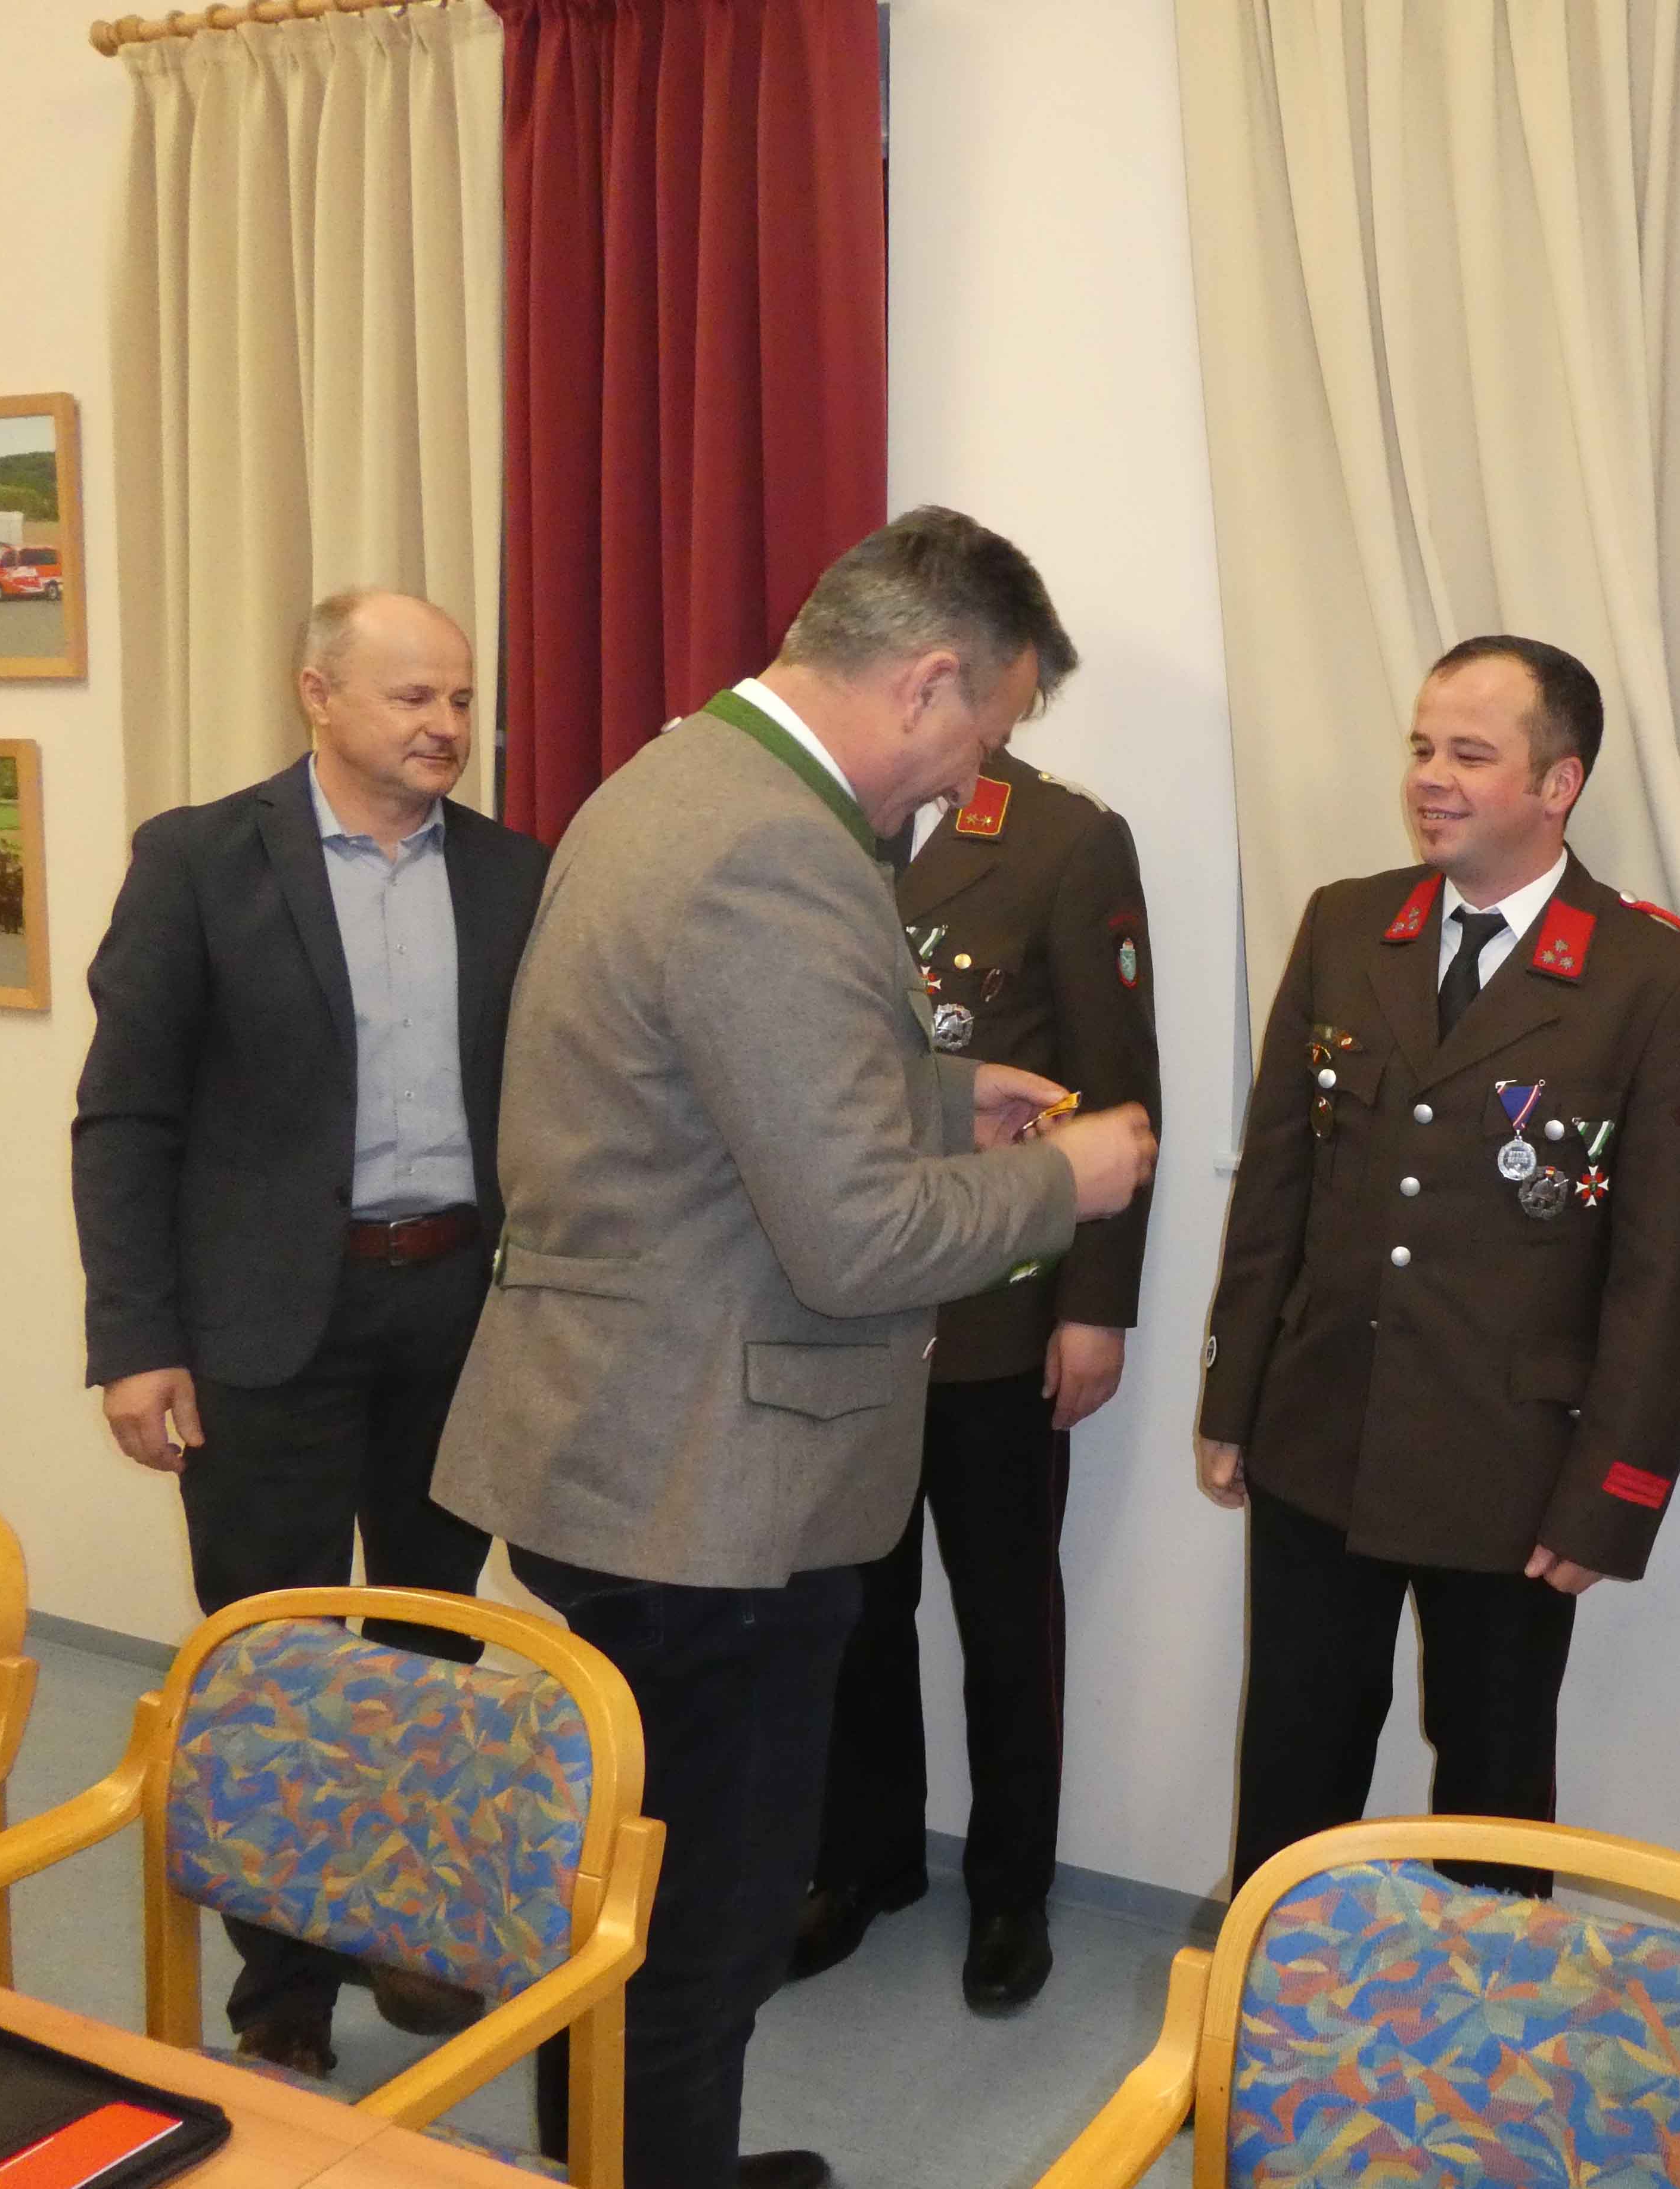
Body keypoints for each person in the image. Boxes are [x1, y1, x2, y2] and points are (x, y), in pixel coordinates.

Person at [430, 509, 1157, 2189]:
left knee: (642, 1899)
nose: (970, 776)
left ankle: (641, 2165)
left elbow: (703, 1094)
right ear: (923, 684)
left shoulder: (676, 781)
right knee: (701, 1934)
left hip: (626, 1436)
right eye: (982, 734)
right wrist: (1067, 1177)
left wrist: (936, 1098)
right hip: (710, 1488)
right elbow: (860, 1243)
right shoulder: (780, 851)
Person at [70, 588, 545, 2074]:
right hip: (263, 1321)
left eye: (461, 699)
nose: (446, 727)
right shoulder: (200, 861)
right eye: (413, 698)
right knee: (269, 1650)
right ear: (318, 695)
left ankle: (404, 1924)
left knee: (428, 1639)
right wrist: (134, 1340)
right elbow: (127, 1118)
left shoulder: (516, 875)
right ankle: (280, 1982)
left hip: (453, 1313)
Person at [1195, 635, 1680, 1895]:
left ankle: (1489, 2019)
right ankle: (1266, 2005)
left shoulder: (1654, 977)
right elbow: (1277, 1188)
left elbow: (1669, 1273)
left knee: (1493, 1795)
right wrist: (1234, 1400)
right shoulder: (1346, 926)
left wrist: (1615, 1495)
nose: (1431, 778)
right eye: (1423, 748)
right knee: (1293, 1765)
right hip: (1322, 1433)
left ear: (1559, 785)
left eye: (1471, 755)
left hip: (1514, 1470)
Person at [791, 752, 1161, 2008]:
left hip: (994, 1315)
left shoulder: (1063, 838)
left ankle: (1009, 1891)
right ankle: (864, 1859)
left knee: (1007, 1622)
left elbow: (1116, 1094)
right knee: (850, 1609)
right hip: (841, 1304)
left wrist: (1095, 1305)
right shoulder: (818, 811)